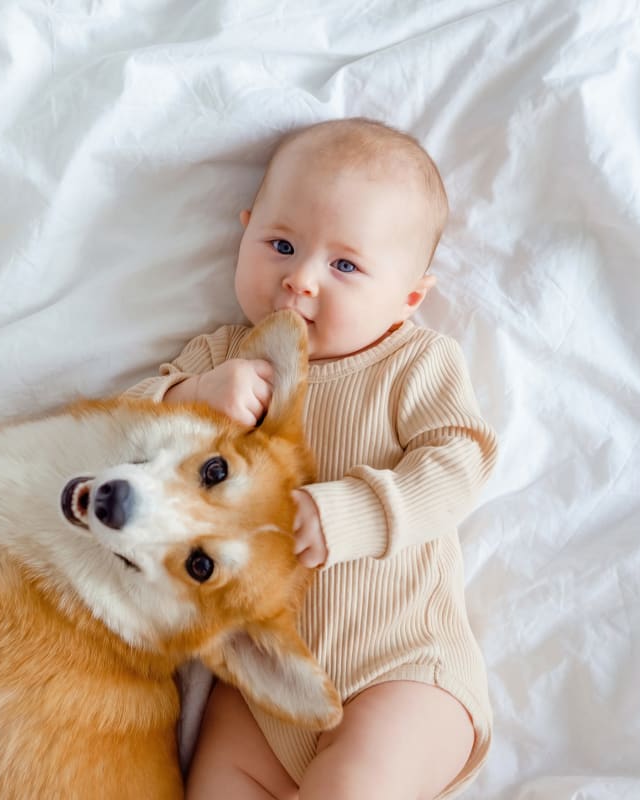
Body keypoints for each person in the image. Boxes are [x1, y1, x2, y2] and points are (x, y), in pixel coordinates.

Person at [124, 117, 498, 800]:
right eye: (281, 245)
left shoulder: (412, 363)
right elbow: (120, 433)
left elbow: (458, 464)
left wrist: (358, 511)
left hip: (402, 669)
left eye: (345, 265)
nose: (300, 280)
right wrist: (192, 394)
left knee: (352, 787)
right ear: (244, 232)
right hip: (262, 688)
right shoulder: (222, 359)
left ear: (408, 297)